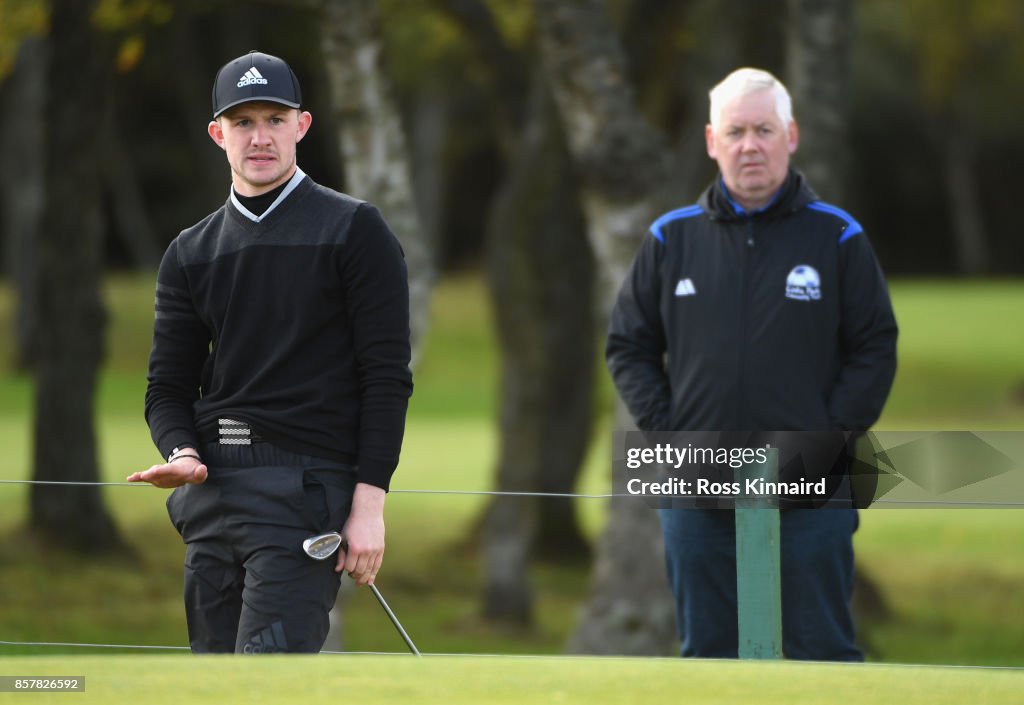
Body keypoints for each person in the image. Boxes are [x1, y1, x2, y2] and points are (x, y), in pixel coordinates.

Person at [127, 50, 413, 654]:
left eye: (275, 120)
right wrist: (180, 450)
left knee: (265, 683)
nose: (260, 138)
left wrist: (369, 509)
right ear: (217, 134)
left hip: (305, 494)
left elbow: (386, 377)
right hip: (211, 494)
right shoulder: (189, 251)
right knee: (215, 685)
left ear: (302, 126)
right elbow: (167, 387)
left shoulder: (355, 230)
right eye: (244, 122)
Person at [606, 67, 897, 660]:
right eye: (735, 130)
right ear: (712, 141)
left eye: (763, 129)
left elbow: (874, 345)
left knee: (823, 654)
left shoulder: (838, 236)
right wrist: (670, 434)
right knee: (709, 656)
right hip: (696, 475)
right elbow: (628, 345)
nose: (749, 145)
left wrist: (828, 436)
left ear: (791, 135)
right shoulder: (669, 238)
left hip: (814, 479)